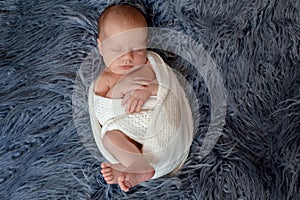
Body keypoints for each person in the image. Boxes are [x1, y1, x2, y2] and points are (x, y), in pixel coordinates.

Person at [90, 4, 194, 192]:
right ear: (101, 46)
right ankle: (135, 163)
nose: (127, 57)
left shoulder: (148, 65)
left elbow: (167, 90)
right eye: (116, 49)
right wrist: (118, 91)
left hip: (157, 122)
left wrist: (148, 91)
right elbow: (102, 111)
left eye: (137, 49)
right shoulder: (104, 80)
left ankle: (139, 165)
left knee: (166, 121)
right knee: (109, 137)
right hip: (126, 131)